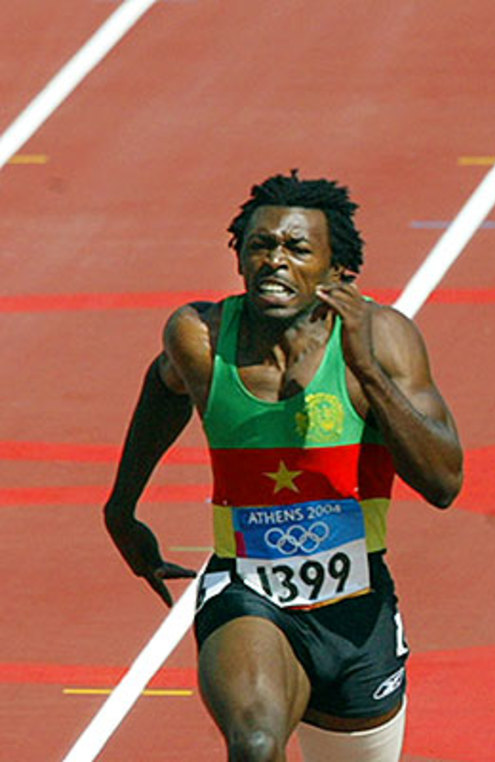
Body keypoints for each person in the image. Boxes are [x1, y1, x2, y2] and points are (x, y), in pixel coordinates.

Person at [104, 170, 463, 761]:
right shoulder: (202, 336)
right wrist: (122, 507)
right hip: (247, 588)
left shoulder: (385, 339)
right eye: (259, 247)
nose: (275, 261)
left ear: (336, 269)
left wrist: (367, 370)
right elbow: (165, 383)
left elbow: (444, 482)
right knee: (256, 743)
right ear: (240, 259)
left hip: (358, 610)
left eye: (297, 249)